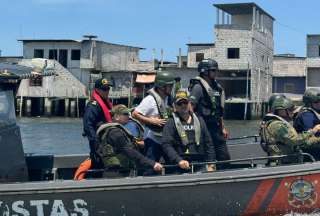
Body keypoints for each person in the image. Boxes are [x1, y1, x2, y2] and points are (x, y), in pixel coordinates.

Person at [75, 105, 162, 179]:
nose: (128, 116)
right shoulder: (115, 133)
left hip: (117, 172)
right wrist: (152, 164)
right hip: (116, 174)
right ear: (116, 117)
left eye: (128, 113)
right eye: (125, 114)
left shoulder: (113, 130)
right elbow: (130, 151)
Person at [161, 90, 216, 173]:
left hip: (199, 163)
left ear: (189, 103)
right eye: (180, 103)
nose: (183, 105)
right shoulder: (170, 122)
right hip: (179, 165)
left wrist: (211, 163)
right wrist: (179, 160)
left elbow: (209, 143)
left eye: (185, 102)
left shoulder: (200, 120)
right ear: (175, 106)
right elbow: (166, 145)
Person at [189, 59, 230, 162]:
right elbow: (190, 108)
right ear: (205, 72)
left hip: (216, 127)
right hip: (204, 128)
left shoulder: (216, 88)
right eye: (213, 70)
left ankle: (224, 174)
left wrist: (223, 127)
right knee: (209, 156)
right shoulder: (198, 87)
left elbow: (218, 110)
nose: (216, 73)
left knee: (224, 156)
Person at [260, 97, 320, 165]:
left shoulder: (278, 123)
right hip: (282, 163)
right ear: (281, 111)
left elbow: (300, 142)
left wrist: (317, 140)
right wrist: (312, 131)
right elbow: (295, 140)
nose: (293, 112)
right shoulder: (277, 125)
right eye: (290, 109)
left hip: (288, 161)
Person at [132, 71, 175, 166]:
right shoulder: (149, 100)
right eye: (170, 86)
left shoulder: (168, 99)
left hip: (166, 140)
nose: (171, 88)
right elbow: (135, 114)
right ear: (162, 86)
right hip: (152, 140)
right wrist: (152, 120)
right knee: (150, 168)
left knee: (171, 166)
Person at [79, 78, 113, 177]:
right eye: (104, 89)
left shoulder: (106, 102)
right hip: (97, 142)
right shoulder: (93, 105)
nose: (107, 91)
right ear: (97, 90)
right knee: (98, 165)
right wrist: (95, 142)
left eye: (108, 89)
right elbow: (88, 125)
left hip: (106, 141)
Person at [293, 88, 320, 159]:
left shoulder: (313, 112)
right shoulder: (307, 115)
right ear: (309, 103)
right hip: (311, 151)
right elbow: (309, 133)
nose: (319, 103)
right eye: (316, 101)